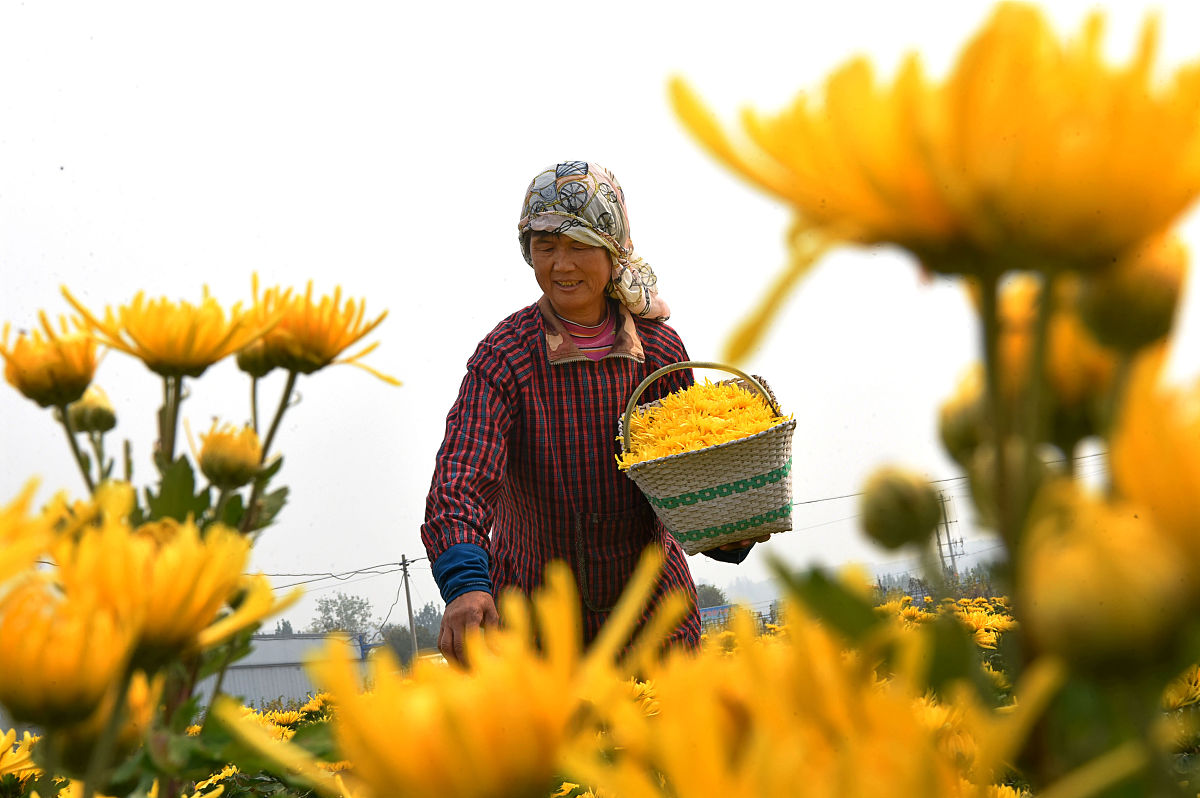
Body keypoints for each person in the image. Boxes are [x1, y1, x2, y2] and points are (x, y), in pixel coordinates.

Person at [421, 160, 764, 665]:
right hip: (536, 633)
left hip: (655, 626)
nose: (562, 264)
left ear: (613, 249)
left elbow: (688, 474)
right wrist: (467, 584)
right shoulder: (506, 355)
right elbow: (461, 478)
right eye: (545, 246)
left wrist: (729, 527)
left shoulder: (659, 350)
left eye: (579, 245)